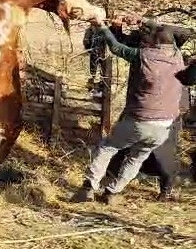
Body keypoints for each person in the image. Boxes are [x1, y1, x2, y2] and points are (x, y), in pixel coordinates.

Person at [73, 20, 184, 206]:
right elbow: (183, 33)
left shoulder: (143, 56)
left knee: (107, 147)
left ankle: (88, 187)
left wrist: (103, 27)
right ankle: (112, 193)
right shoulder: (177, 57)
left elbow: (115, 47)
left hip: (139, 120)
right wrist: (146, 22)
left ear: (153, 41)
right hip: (164, 126)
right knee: (136, 158)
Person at [103, 17, 195, 200]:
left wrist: (147, 21)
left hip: (169, 107)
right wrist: (116, 26)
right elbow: (118, 43)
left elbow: (188, 32)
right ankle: (111, 188)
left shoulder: (172, 50)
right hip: (140, 106)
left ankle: (165, 190)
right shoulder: (140, 51)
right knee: (124, 149)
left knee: (164, 154)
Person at [83, 24, 107, 95]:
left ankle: (98, 87)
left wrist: (89, 50)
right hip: (98, 53)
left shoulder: (91, 29)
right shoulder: (92, 29)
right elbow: (86, 41)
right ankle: (95, 87)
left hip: (98, 54)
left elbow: (86, 41)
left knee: (96, 71)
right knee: (97, 71)